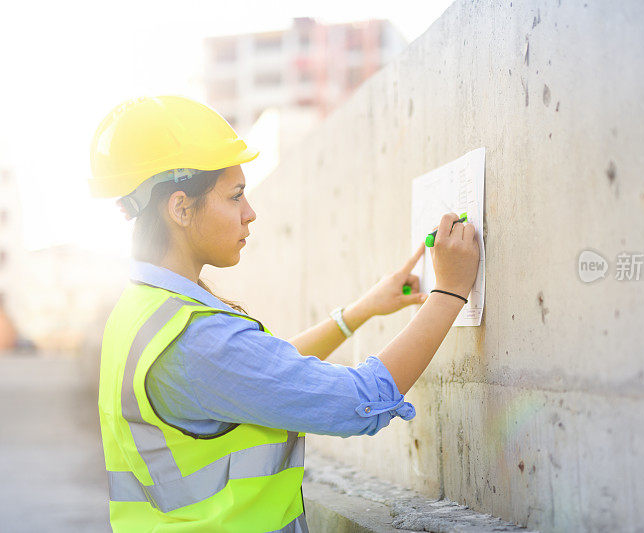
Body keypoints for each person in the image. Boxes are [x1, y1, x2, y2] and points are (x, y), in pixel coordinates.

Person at [89, 95, 479, 532]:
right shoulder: (194, 339)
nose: (250, 213)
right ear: (180, 208)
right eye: (235, 196)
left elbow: (257, 378)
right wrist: (449, 291)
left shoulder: (142, 311)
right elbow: (359, 401)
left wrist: (360, 311)